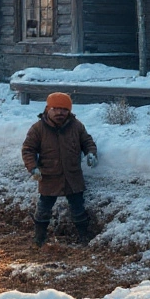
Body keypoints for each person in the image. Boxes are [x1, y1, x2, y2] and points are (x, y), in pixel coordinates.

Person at [21, 92, 99, 247]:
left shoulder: (76, 126)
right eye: (55, 109)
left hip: (72, 176)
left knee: (78, 207)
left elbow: (87, 141)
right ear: (47, 109)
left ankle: (84, 236)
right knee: (44, 207)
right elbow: (28, 149)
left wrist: (91, 154)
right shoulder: (38, 128)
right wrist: (33, 168)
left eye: (64, 110)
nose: (60, 113)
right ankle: (39, 237)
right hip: (49, 176)